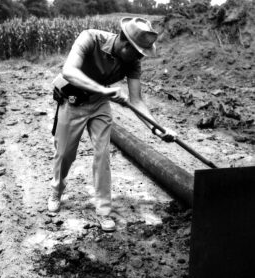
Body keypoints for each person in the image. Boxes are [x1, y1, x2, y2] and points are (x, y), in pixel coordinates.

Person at [49, 17, 176, 232]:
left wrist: (158, 128)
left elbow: (136, 100)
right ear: (125, 41)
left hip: (99, 105)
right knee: (65, 154)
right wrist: (103, 90)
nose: (139, 58)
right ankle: (56, 191)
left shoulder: (132, 61)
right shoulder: (90, 38)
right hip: (73, 102)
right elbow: (69, 71)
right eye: (137, 52)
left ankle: (103, 210)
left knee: (102, 154)